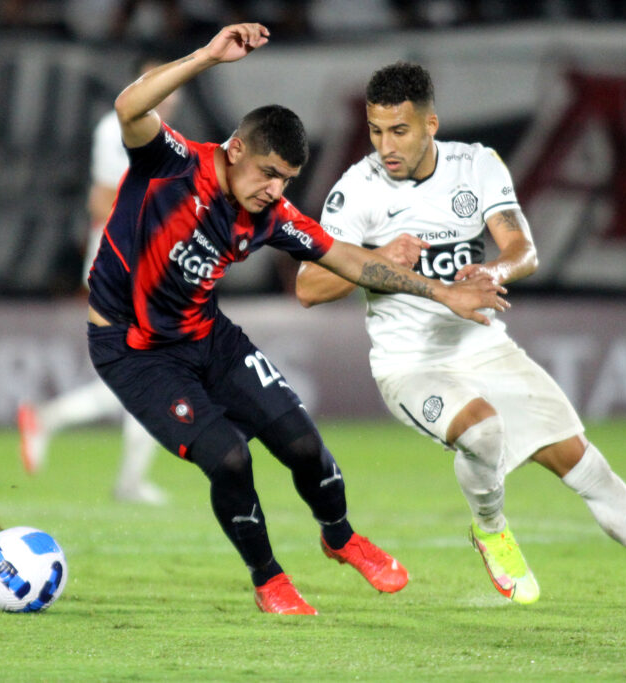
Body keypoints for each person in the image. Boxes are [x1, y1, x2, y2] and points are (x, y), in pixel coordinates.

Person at [295, 61, 626, 607]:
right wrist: (373, 257)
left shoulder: (477, 166)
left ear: (431, 124)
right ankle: (490, 529)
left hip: (484, 347)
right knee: (483, 429)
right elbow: (307, 285)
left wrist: (494, 272)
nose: (385, 146)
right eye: (375, 130)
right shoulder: (359, 189)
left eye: (399, 130)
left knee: (586, 465)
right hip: (409, 364)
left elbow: (524, 251)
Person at [85, 25, 508, 615]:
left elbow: (349, 261)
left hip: (206, 335)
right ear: (236, 150)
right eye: (266, 173)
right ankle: (268, 579)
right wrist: (208, 55)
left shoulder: (273, 216)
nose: (273, 189)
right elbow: (130, 106)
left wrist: (442, 292)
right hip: (133, 349)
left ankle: (339, 536)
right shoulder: (172, 163)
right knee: (230, 457)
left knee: (303, 444)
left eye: (285, 177)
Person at [17, 57, 180, 505]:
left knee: (144, 373)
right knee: (157, 370)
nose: (170, 91)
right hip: (124, 264)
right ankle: (122, 478)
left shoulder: (159, 133)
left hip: (137, 262)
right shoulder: (117, 128)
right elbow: (105, 199)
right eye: (159, 80)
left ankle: (49, 422)